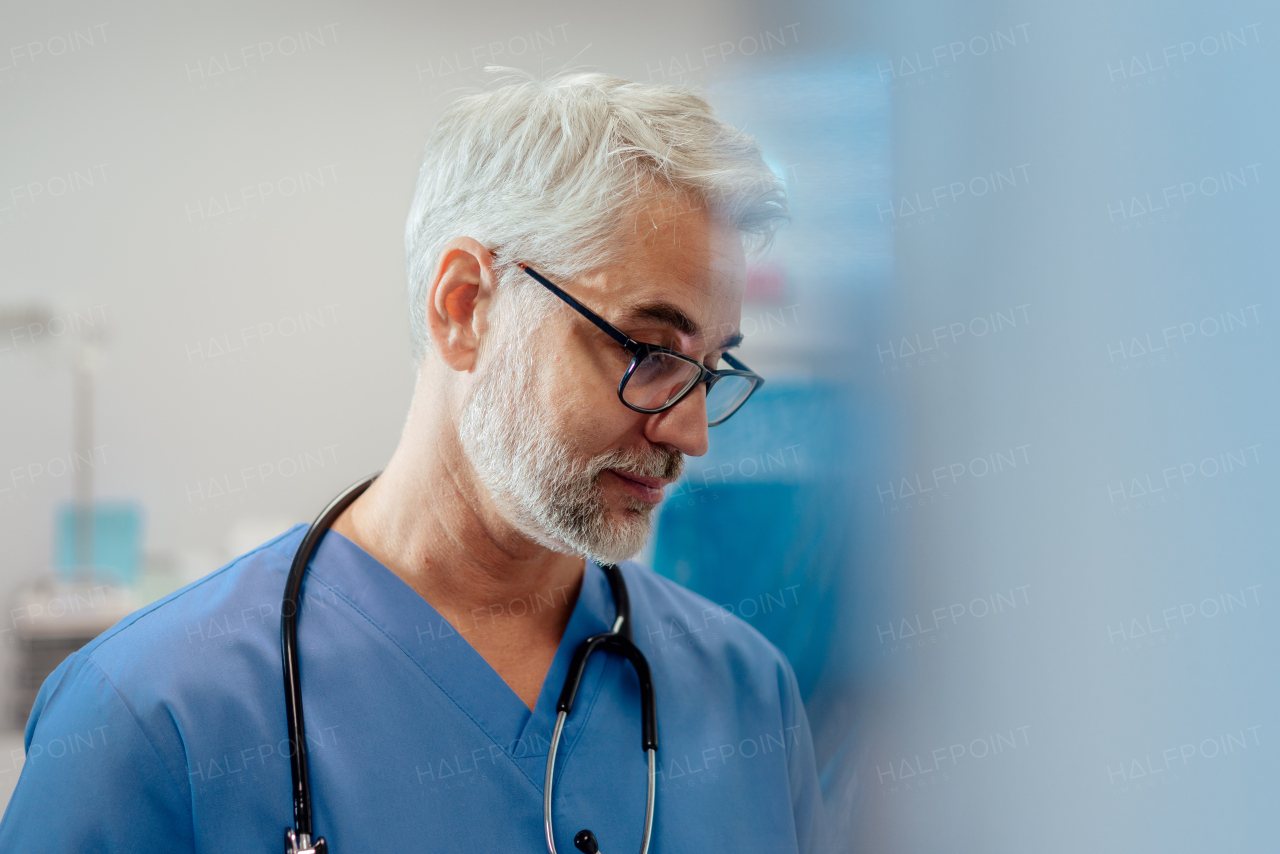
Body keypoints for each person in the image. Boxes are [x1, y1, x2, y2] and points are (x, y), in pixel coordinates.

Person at [0, 71, 826, 853]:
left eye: (710, 368)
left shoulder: (748, 696)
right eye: (648, 349)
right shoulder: (149, 717)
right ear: (465, 306)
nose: (691, 433)